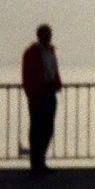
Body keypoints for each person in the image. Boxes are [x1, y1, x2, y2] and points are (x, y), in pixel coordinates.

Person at [21, 23, 62, 174]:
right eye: (46, 34)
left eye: (49, 34)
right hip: (38, 95)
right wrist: (33, 95)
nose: (48, 37)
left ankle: (40, 161)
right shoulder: (31, 53)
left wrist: (56, 85)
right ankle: (36, 164)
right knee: (37, 129)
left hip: (50, 93)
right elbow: (28, 76)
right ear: (39, 35)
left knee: (48, 129)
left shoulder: (50, 51)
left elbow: (53, 70)